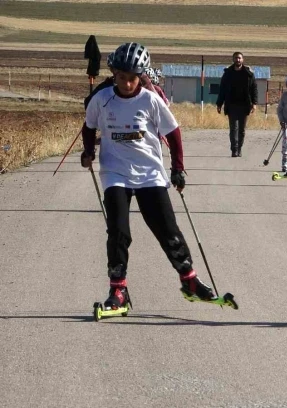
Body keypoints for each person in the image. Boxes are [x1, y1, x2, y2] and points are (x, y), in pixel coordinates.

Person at [82, 42, 218, 311]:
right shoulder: (102, 99)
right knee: (118, 232)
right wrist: (88, 151)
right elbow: (88, 127)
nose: (127, 83)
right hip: (115, 173)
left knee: (168, 231)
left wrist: (177, 168)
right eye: (122, 77)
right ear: (114, 74)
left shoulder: (151, 99)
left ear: (141, 76)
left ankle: (189, 281)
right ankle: (118, 291)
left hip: (149, 174)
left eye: (133, 78)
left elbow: (173, 133)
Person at [216, 51, 258, 157]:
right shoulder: (228, 74)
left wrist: (254, 103)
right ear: (233, 59)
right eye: (236, 58)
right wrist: (219, 103)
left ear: (242, 60)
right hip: (232, 105)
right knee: (233, 128)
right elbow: (222, 90)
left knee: (242, 130)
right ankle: (234, 150)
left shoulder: (248, 74)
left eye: (239, 58)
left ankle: (239, 148)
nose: (237, 60)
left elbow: (254, 89)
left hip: (244, 105)